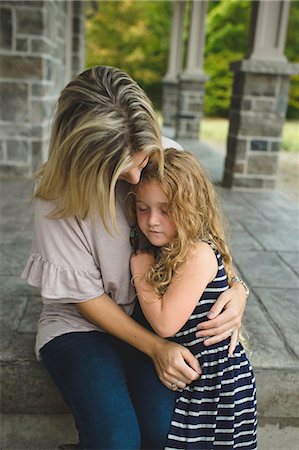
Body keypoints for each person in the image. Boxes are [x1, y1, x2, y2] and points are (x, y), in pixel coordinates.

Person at [21, 65, 248, 450]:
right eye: (117, 166)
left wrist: (237, 289)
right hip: (82, 324)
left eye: (141, 161)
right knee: (116, 438)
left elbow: (200, 235)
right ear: (83, 156)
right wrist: (156, 348)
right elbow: (85, 297)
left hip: (156, 316)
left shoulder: (166, 156)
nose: (133, 176)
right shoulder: (56, 196)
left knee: (164, 431)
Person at [130, 148, 257, 449]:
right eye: (142, 208)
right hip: (198, 375)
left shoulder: (197, 253)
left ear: (192, 208)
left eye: (166, 209)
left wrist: (141, 272)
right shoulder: (173, 248)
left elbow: (165, 324)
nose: (152, 221)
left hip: (218, 381)